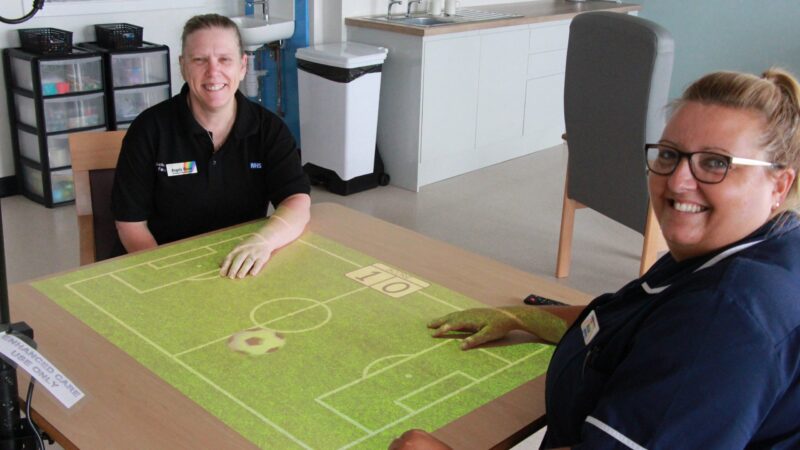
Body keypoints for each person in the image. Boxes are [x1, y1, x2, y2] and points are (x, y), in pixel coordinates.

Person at [390, 68, 800, 449]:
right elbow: (622, 322)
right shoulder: (755, 243)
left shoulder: (724, 318)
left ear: (779, 184)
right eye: (670, 154)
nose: (678, 181)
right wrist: (520, 317)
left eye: (715, 163)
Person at [111, 14, 310, 279]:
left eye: (224, 59)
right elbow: (130, 224)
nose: (213, 72)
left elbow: (297, 201)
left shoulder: (269, 130)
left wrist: (263, 242)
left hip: (238, 267)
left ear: (242, 66)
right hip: (164, 266)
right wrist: (165, 276)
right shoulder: (148, 130)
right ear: (183, 66)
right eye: (200, 60)